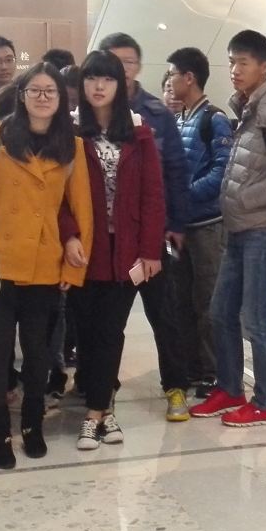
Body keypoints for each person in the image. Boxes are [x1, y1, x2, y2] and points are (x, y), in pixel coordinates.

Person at [0, 63, 94, 469]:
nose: (42, 97)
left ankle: (32, 423)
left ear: (61, 99)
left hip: (44, 264)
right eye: (34, 90)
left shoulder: (71, 145)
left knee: (39, 354)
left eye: (50, 91)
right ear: (21, 95)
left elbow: (81, 210)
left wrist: (73, 269)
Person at [189, 30, 266, 427]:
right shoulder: (248, 107)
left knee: (257, 318)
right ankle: (230, 388)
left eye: (243, 62)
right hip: (240, 228)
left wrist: (246, 198)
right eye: (232, 62)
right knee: (221, 311)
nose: (235, 70)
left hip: (264, 229)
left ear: (264, 66)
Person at [69, 50, 165, 449]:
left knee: (111, 330)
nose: (99, 86)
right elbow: (60, 194)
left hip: (124, 248)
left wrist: (150, 251)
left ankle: (95, 414)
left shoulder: (139, 134)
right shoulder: (71, 131)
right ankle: (104, 408)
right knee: (85, 331)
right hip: (84, 250)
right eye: (91, 78)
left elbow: (152, 195)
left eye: (107, 79)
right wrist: (68, 235)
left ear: (119, 85)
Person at [99, 32, 194, 420]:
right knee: (109, 321)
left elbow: (175, 172)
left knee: (165, 316)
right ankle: (103, 390)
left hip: (153, 233)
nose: (120, 71)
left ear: (138, 66)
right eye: (112, 63)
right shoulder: (92, 114)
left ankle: (176, 387)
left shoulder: (156, 113)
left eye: (127, 62)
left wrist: (176, 224)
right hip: (110, 238)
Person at [167, 46, 234, 399]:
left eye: (173, 74)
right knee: (182, 300)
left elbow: (223, 170)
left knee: (208, 302)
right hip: (183, 226)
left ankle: (213, 372)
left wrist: (186, 195)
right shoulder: (181, 118)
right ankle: (192, 366)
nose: (169, 81)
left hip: (208, 223)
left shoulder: (213, 119)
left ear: (189, 78)